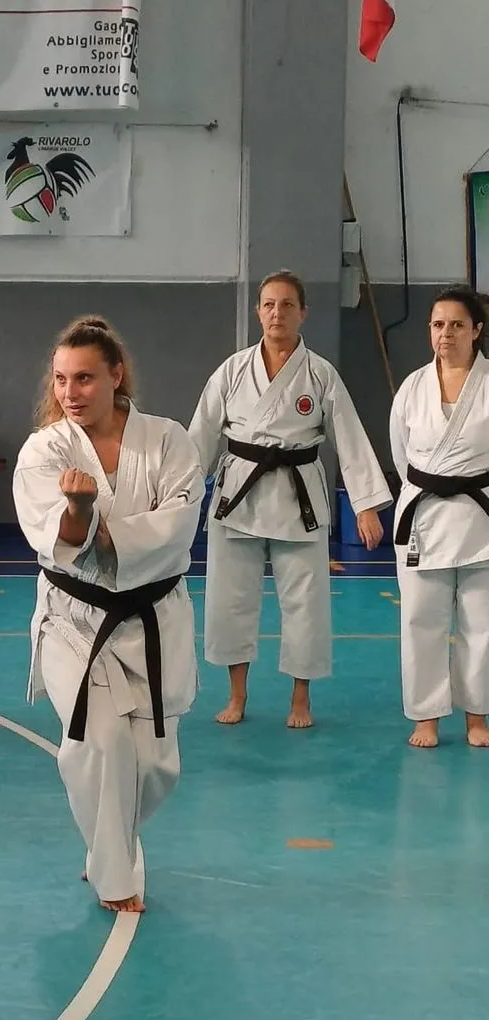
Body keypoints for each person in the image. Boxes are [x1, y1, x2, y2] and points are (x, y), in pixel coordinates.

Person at [13, 315, 204, 915]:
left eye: (85, 378)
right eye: (62, 379)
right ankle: (116, 878)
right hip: (75, 619)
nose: (71, 392)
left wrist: (105, 527)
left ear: (116, 375)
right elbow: (55, 538)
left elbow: (180, 523)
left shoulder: (168, 440)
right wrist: (77, 511)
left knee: (156, 764)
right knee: (100, 745)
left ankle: (106, 841)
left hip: (153, 616)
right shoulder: (46, 449)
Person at [188, 270, 392, 728]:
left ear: (303, 313)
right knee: (229, 601)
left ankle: (301, 699)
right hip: (238, 497)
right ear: (258, 312)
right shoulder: (233, 370)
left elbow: (350, 437)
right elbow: (199, 436)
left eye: (286, 305)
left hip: (299, 498)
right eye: (268, 304)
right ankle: (237, 694)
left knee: (306, 604)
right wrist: (178, 495)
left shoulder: (319, 373)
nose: (276, 313)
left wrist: (364, 505)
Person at [390, 287, 489, 749]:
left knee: (481, 626)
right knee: (420, 622)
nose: (445, 333)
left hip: (479, 519)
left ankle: (476, 716)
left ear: (477, 330)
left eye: (456, 325)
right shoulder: (413, 387)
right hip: (425, 516)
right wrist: (430, 485)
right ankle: (426, 717)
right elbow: (401, 453)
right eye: (437, 324)